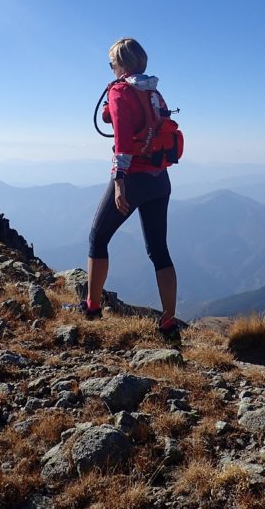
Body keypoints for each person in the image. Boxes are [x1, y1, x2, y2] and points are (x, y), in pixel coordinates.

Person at [81, 38, 181, 343]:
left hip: (133, 177)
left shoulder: (121, 90)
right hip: (159, 179)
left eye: (112, 64)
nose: (111, 69)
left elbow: (123, 139)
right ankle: (168, 324)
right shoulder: (154, 92)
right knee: (158, 249)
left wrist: (120, 183)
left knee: (98, 237)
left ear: (120, 65)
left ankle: (92, 308)